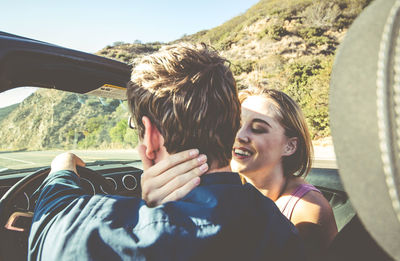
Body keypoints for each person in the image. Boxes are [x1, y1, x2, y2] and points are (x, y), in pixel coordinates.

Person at [28, 43, 306, 261]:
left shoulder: (86, 230)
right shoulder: (280, 229)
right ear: (232, 126)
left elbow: (53, 213)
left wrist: (63, 163)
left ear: (150, 136)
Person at [142, 88, 338, 260]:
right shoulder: (224, 188)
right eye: (236, 125)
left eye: (258, 129)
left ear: (290, 146)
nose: (240, 136)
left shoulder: (307, 210)